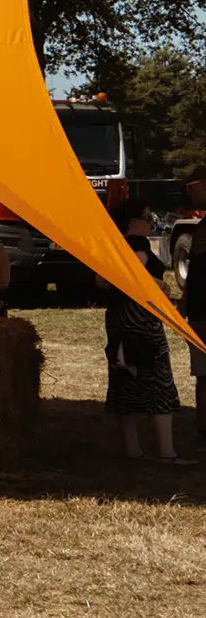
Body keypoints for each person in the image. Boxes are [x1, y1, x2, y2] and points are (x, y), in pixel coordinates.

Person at [103, 186, 184, 463]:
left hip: (116, 318)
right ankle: (167, 452)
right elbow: (132, 276)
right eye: (147, 218)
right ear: (133, 222)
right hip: (140, 319)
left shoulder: (110, 246)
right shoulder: (137, 244)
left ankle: (133, 450)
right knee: (158, 379)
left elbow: (100, 281)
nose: (150, 223)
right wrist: (159, 284)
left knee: (124, 378)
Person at [183, 177, 206, 420]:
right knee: (203, 374)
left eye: (192, 187)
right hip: (199, 312)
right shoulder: (202, 224)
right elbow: (196, 268)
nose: (189, 193)